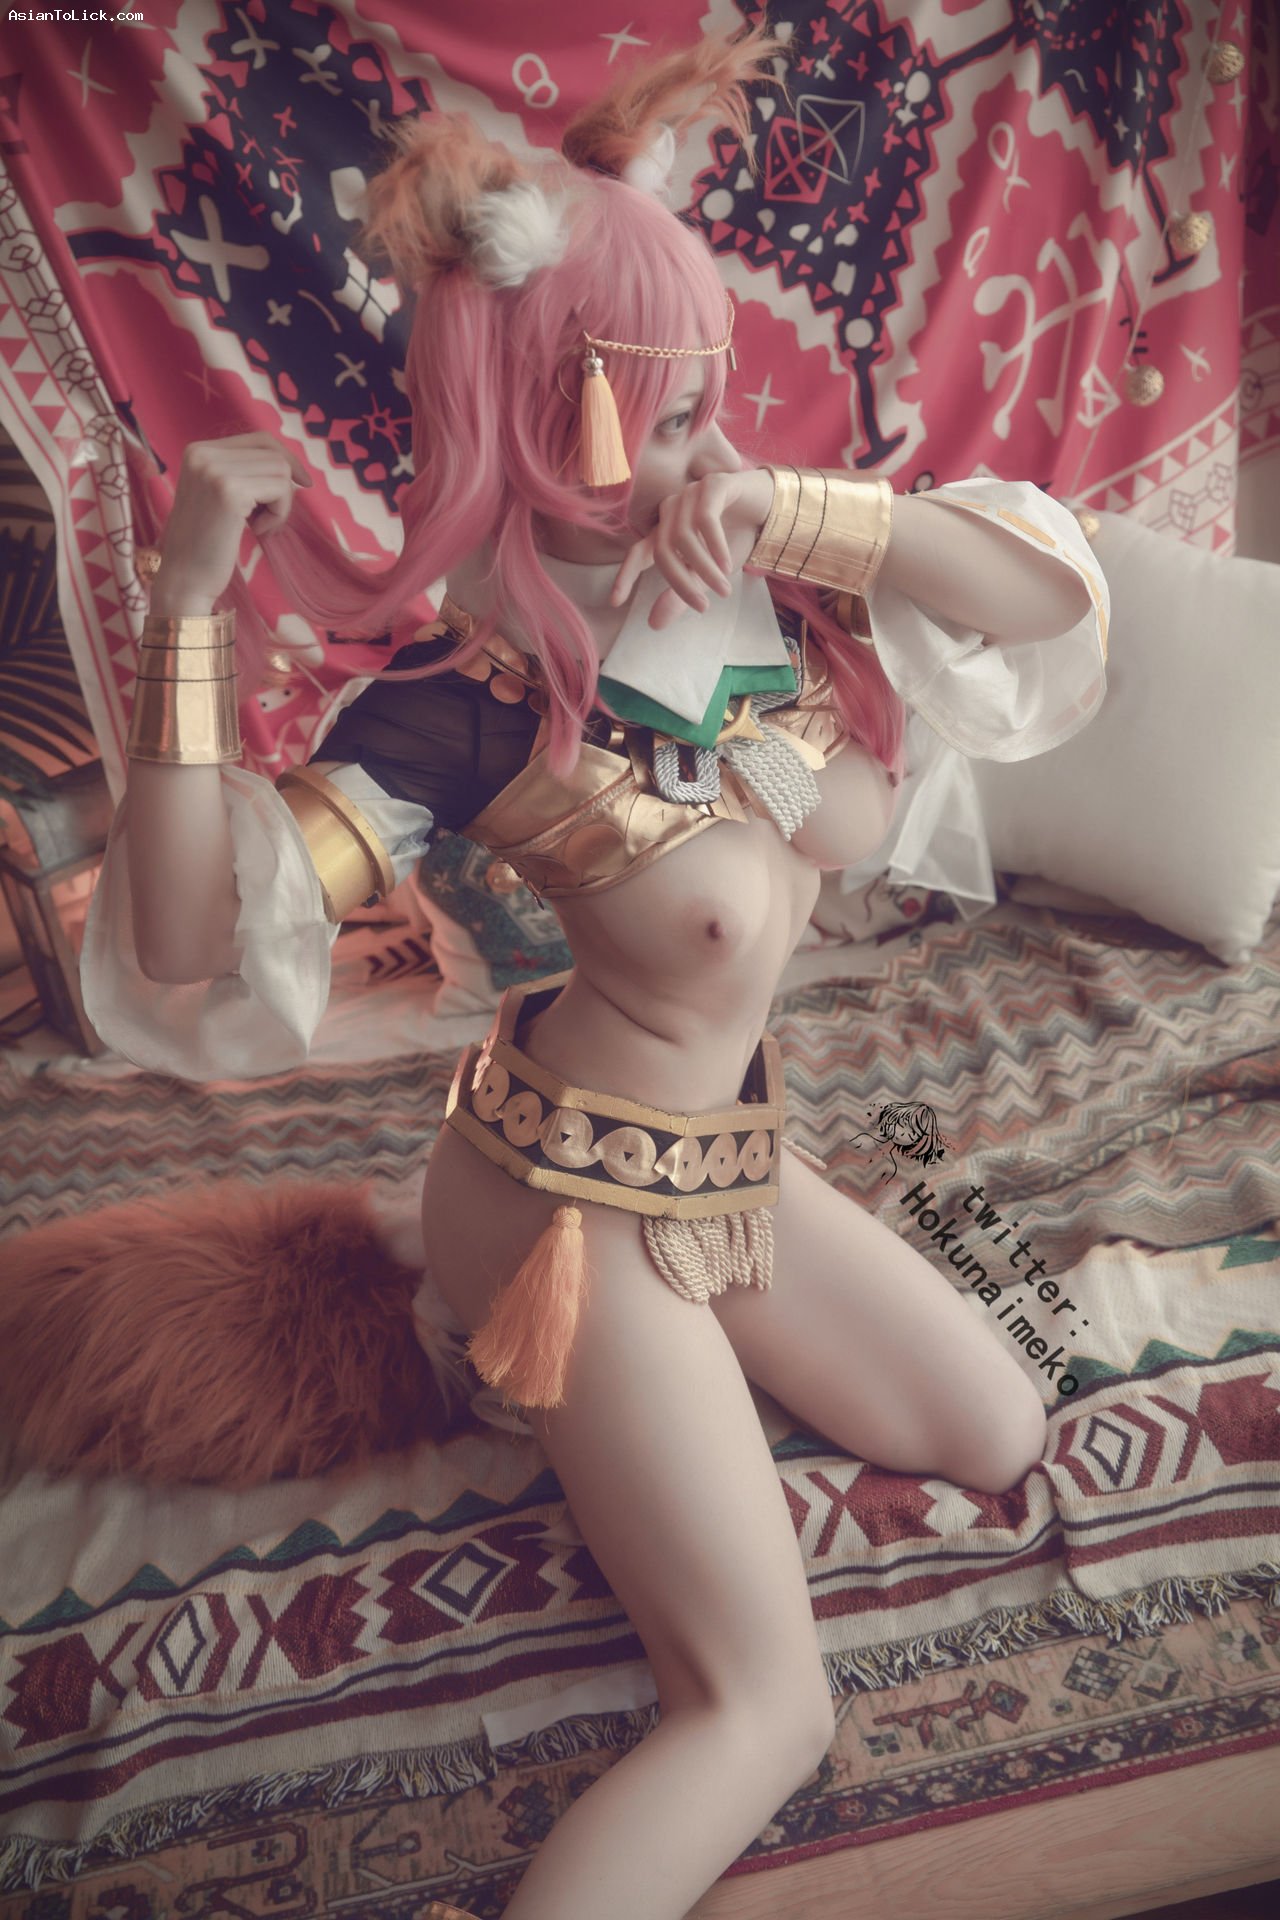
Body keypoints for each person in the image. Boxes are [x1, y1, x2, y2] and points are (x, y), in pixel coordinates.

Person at [64, 25, 1109, 1920]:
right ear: (541, 422)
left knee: (1002, 1425)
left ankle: (526, 1330)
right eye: (657, 416)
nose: (702, 453)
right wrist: (185, 617)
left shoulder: (760, 562)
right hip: (566, 1218)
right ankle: (483, 1317)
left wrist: (785, 501)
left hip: (728, 1158)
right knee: (761, 1709)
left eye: (710, 403)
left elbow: (1051, 597)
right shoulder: (467, 703)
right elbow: (184, 949)